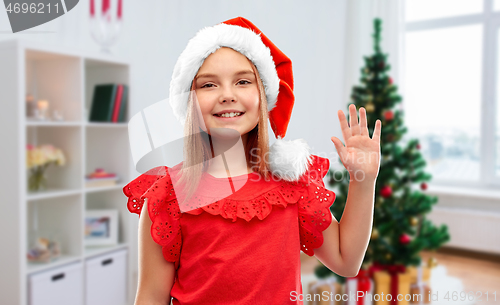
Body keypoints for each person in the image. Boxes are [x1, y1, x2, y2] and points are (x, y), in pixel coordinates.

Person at [123, 17, 381, 305]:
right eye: (209, 85)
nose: (227, 95)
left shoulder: (293, 182)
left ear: (263, 95)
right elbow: (150, 297)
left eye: (243, 81)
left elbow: (346, 260)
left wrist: (365, 180)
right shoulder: (167, 195)